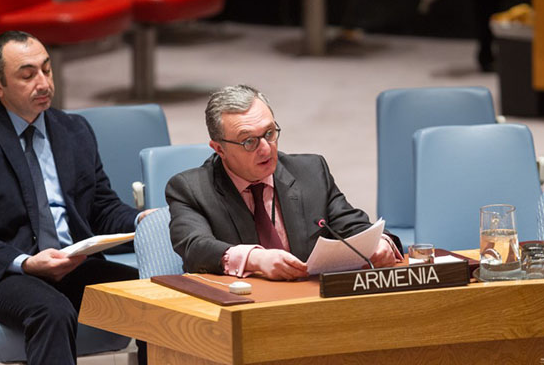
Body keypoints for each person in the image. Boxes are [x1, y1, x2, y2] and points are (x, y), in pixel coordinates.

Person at [0, 31, 154, 365]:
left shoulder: (74, 130)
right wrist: (26, 263)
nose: (43, 83)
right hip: (7, 273)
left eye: (47, 70)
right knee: (52, 311)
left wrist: (139, 219)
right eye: (27, 76)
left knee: (151, 296)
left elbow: (101, 207)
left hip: (72, 263)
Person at [166, 84, 403, 280]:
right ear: (219, 149)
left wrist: (380, 243)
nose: (266, 149)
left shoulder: (310, 172)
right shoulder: (191, 189)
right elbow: (195, 248)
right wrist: (257, 259)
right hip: (242, 313)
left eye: (269, 133)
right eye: (249, 141)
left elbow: (353, 227)